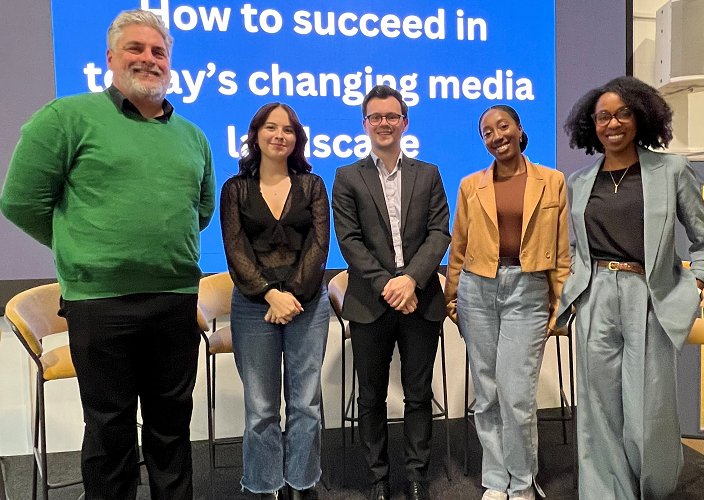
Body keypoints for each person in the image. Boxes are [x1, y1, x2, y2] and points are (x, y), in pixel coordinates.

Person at [0, 9, 215, 500]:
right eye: (136, 49)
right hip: (100, 302)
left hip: (175, 299)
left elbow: (199, 210)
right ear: (111, 58)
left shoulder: (193, 137)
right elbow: (20, 202)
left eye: (159, 52)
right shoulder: (66, 118)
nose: (148, 59)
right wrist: (83, 246)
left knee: (171, 429)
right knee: (108, 432)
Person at [555, 76, 704, 499]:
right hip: (595, 296)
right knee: (598, 409)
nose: (613, 123)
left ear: (641, 116)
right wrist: (575, 286)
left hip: (648, 294)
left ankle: (653, 488)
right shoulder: (579, 181)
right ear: (591, 125)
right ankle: (606, 492)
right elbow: (579, 245)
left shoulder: (672, 170)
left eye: (622, 113)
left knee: (649, 407)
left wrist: (697, 282)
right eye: (602, 116)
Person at [331, 85, 451, 500]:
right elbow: (348, 240)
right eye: (375, 117)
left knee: (419, 394)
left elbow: (440, 233)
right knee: (371, 397)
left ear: (404, 122)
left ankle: (417, 476)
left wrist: (411, 280)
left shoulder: (429, 173)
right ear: (365, 124)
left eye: (391, 116)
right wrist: (389, 284)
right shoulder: (347, 177)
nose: (384, 123)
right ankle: (378, 478)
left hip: (421, 300)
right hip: (370, 303)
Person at [445, 105, 570, 500]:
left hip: (528, 290)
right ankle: (496, 480)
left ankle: (522, 481)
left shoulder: (552, 181)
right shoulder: (470, 185)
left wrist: (559, 303)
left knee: (516, 395)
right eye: (486, 132)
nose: (496, 135)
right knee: (487, 394)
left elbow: (561, 250)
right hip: (476, 290)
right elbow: (459, 246)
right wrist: (452, 298)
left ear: (518, 130)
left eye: (502, 126)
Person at [220, 102, 330, 500]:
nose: (279, 135)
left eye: (288, 129)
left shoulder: (312, 185)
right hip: (253, 305)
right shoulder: (235, 189)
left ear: (297, 138)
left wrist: (292, 296)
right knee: (262, 407)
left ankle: (302, 484)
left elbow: (319, 246)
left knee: (305, 404)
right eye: (271, 127)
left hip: (307, 304)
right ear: (256, 134)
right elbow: (235, 249)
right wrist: (270, 293)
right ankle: (264, 486)